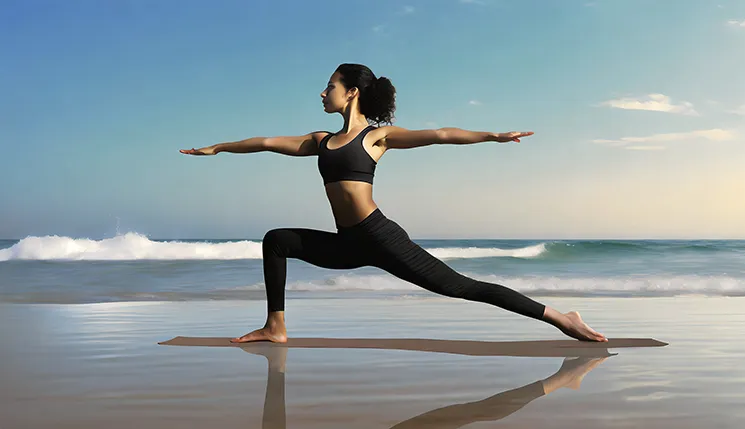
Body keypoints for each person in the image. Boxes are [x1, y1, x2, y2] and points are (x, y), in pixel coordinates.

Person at [180, 63, 607, 344]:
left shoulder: (376, 137)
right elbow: (268, 143)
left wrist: (492, 136)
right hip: (346, 243)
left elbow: (440, 134)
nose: (322, 93)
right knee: (276, 240)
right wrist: (218, 148)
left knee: (462, 288)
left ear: (350, 93)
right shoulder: (321, 141)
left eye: (329, 86)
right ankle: (276, 325)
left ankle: (561, 317)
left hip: (380, 237)